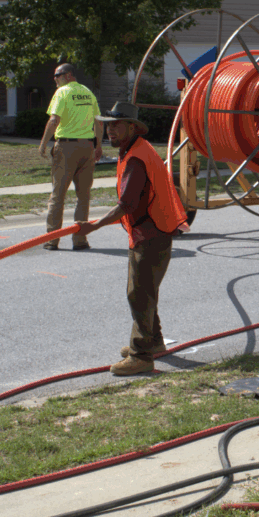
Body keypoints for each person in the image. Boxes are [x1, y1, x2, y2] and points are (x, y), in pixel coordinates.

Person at [76, 101, 189, 376]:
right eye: (108, 125)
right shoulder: (135, 150)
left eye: (116, 125)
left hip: (151, 234)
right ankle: (155, 341)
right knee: (145, 291)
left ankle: (141, 355)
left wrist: (93, 226)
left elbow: (125, 204)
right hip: (150, 232)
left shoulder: (136, 158)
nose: (110, 130)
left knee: (139, 294)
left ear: (133, 127)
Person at [38, 63, 103, 251]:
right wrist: (98, 145)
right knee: (83, 196)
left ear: (67, 75)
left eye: (57, 75)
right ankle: (80, 240)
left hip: (66, 147)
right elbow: (98, 122)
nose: (55, 79)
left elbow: (53, 120)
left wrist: (43, 144)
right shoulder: (88, 93)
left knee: (58, 195)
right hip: (87, 147)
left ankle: (52, 239)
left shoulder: (62, 93)